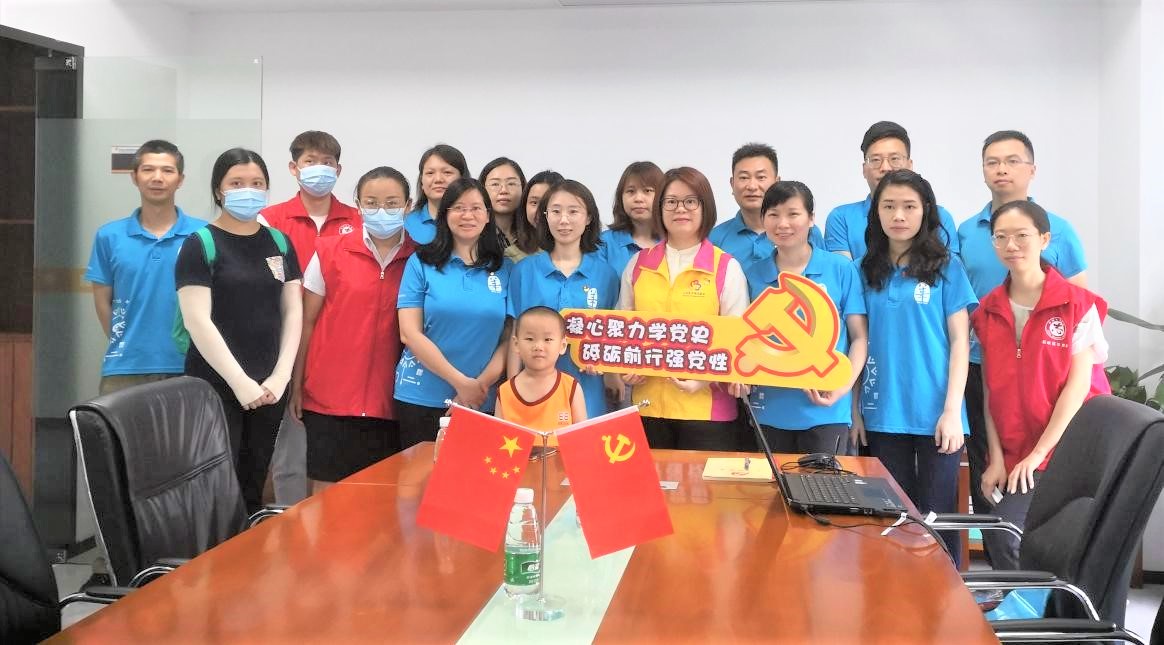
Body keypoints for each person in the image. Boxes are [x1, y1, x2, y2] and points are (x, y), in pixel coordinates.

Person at [957, 130, 1089, 544]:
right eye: (992, 162)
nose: (1002, 169)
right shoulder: (966, 231)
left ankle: (1039, 569)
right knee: (990, 478)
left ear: (1032, 170)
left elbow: (1079, 305)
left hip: (1048, 373)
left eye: (1012, 161)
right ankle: (1002, 568)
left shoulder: (1060, 230)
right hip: (985, 367)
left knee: (1044, 491)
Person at [971, 200, 1109, 569]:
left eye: (1022, 235)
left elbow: (1077, 390)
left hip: (1067, 450)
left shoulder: (1078, 305)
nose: (1011, 245)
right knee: (1002, 534)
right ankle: (1023, 604)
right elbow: (991, 391)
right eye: (1001, 237)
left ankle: (1044, 605)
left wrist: (1037, 455)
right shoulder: (987, 311)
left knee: (1013, 534)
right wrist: (995, 458)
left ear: (1044, 239)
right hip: (1017, 452)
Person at [856, 169, 975, 565]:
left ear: (925, 211)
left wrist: (952, 411)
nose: (898, 215)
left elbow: (960, 342)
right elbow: (855, 342)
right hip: (882, 411)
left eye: (909, 206)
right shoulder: (862, 269)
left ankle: (947, 595)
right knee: (893, 518)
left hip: (937, 412)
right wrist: (855, 410)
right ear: (876, 212)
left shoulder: (947, 267)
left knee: (939, 516)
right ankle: (897, 594)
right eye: (888, 206)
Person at [175, 148, 302, 513]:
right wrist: (239, 382)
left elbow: (292, 311)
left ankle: (248, 547)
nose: (249, 190)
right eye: (237, 183)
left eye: (257, 183)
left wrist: (281, 376)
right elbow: (197, 320)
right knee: (216, 487)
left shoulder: (279, 242)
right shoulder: (200, 244)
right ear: (219, 190)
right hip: (215, 384)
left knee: (253, 482)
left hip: (270, 385)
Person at [290, 167, 416, 494]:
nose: (381, 211)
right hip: (329, 398)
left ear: (408, 206)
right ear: (358, 205)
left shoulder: (420, 259)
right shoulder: (329, 250)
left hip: (391, 400)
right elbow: (306, 322)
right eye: (371, 202)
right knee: (325, 497)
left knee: (378, 500)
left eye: (392, 203)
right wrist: (297, 384)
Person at [617, 167, 750, 451]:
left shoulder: (725, 267)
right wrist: (626, 368)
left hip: (707, 412)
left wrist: (704, 379)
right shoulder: (638, 264)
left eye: (691, 201)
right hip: (648, 407)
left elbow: (739, 339)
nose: (681, 209)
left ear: (705, 207)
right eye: (671, 201)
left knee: (704, 482)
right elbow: (623, 328)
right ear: (660, 208)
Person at [260, 130, 358, 505]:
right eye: (310, 162)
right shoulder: (270, 220)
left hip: (337, 356)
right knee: (288, 455)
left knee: (333, 462)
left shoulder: (357, 220)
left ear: (339, 170)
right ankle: (286, 527)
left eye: (327, 163)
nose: (319, 169)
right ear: (293, 167)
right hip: (282, 350)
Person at [744, 181, 868, 455]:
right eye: (773, 215)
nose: (783, 223)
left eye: (793, 214)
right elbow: (741, 338)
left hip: (827, 410)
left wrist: (843, 387)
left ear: (811, 218)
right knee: (772, 484)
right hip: (769, 410)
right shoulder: (753, 274)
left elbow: (859, 338)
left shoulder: (839, 269)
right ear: (763, 220)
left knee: (825, 484)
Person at [395, 177, 513, 448]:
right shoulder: (420, 262)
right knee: (420, 474)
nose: (467, 216)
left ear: (488, 215)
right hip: (421, 395)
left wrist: (478, 386)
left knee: (474, 474)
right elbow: (409, 333)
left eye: (476, 208)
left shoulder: (504, 268)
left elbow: (509, 339)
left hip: (481, 398)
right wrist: (460, 383)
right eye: (458, 208)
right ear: (445, 214)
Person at [85, 140, 206, 395]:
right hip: (124, 369)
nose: (157, 178)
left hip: (191, 365)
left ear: (180, 180)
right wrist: (127, 342)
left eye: (167, 170)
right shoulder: (109, 236)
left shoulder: (203, 234)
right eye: (148, 169)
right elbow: (102, 302)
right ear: (134, 177)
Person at [508, 179, 619, 420]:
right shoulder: (524, 271)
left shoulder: (606, 275)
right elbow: (515, 336)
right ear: (545, 217)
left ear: (589, 218)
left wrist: (608, 369)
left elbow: (612, 337)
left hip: (588, 392)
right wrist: (511, 390)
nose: (564, 220)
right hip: (532, 394)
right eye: (556, 211)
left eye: (573, 211)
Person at [824, 122, 960, 259]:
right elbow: (843, 271)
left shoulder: (939, 216)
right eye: (875, 160)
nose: (885, 168)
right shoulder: (841, 218)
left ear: (910, 166)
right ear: (864, 169)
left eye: (894, 159)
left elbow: (947, 268)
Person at [709, 143, 823, 266]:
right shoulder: (714, 238)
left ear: (777, 182)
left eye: (761, 177)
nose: (752, 186)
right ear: (732, 184)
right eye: (744, 177)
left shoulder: (805, 231)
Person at [495, 306, 588, 442]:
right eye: (530, 339)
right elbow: (497, 441)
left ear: (562, 346)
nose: (538, 346)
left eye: (547, 339)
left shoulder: (571, 388)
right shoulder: (505, 392)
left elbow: (583, 439)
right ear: (516, 344)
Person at [598, 161, 663, 276]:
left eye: (647, 191)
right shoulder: (604, 243)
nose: (638, 198)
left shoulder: (673, 242)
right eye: (631, 191)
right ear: (621, 197)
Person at [404, 144, 469, 245]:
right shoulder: (406, 224)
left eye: (447, 172)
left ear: (462, 179)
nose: (438, 179)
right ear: (421, 182)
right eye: (430, 173)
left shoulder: (474, 221)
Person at [507, 170, 565, 263]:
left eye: (547, 202)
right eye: (534, 202)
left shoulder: (584, 252)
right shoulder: (511, 256)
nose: (539, 210)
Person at [478, 157, 527, 262]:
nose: (503, 190)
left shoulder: (535, 234)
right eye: (495, 184)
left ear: (523, 188)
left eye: (511, 183)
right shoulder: (472, 235)